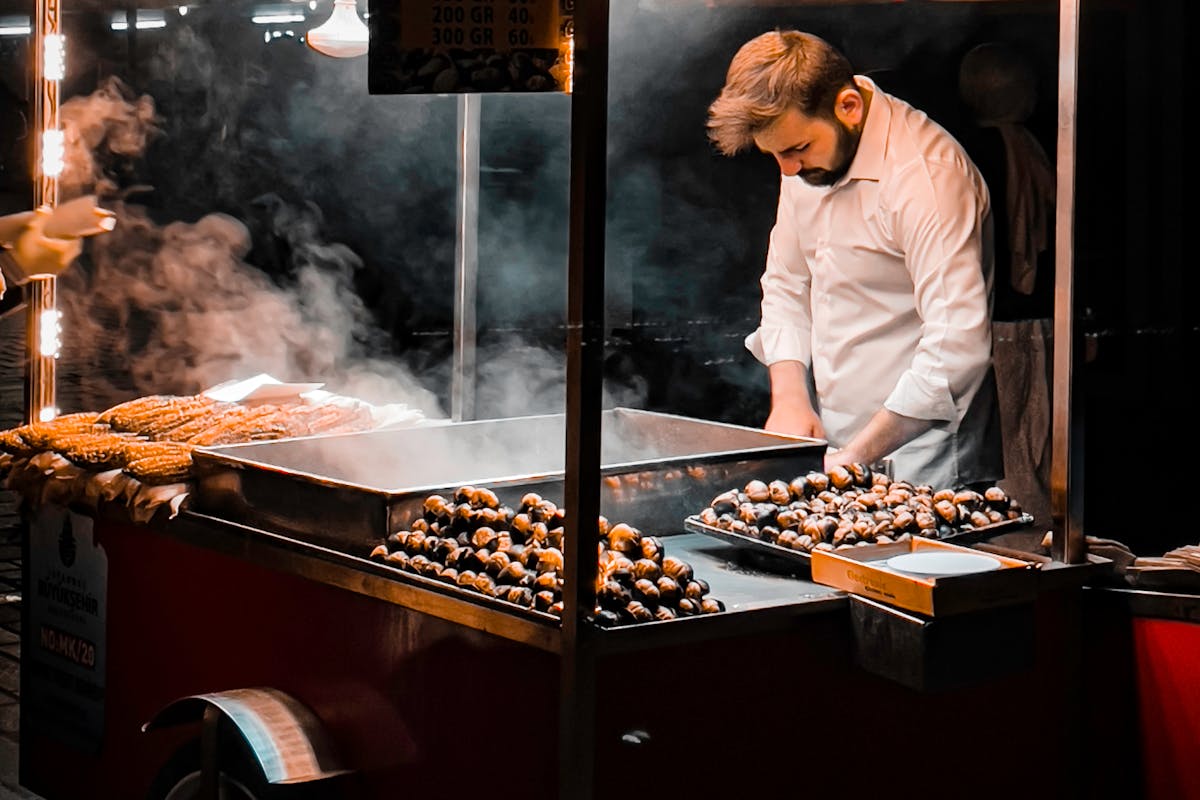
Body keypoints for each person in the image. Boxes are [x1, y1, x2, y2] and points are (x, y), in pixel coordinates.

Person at [707, 29, 1003, 490]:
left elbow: (955, 350)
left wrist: (856, 455)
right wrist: (789, 398)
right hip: (835, 440)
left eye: (796, 149)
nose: (787, 170)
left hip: (925, 456)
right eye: (775, 155)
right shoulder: (806, 161)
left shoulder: (927, 178)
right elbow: (787, 281)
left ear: (848, 107)